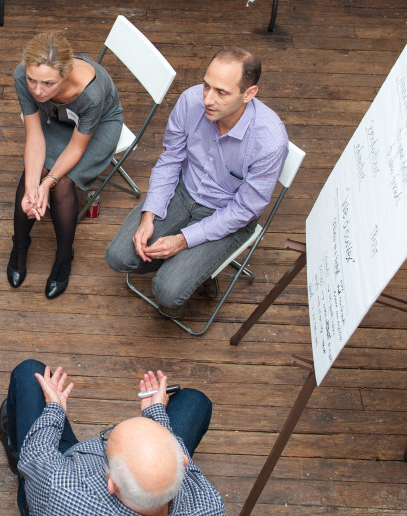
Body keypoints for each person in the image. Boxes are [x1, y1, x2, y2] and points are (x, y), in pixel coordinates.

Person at [105, 47, 288, 317]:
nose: (207, 99)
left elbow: (245, 210)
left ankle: (188, 269)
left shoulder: (269, 142)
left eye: (221, 92)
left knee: (167, 292)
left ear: (248, 94)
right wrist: (149, 214)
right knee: (117, 257)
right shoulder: (191, 101)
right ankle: (190, 267)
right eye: (206, 86)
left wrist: (183, 241)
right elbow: (170, 159)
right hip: (183, 190)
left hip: (227, 214)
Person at [0, 360, 225, 516]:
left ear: (111, 483)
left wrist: (55, 407)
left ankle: (11, 444)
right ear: (183, 461)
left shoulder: (59, 489)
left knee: (29, 372)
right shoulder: (210, 513)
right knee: (196, 401)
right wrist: (156, 413)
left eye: (107, 448)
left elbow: (35, 455)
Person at [9, 31, 123, 298]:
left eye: (48, 83)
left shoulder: (92, 93)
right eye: (32, 80)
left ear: (67, 72)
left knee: (62, 185)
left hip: (98, 125)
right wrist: (32, 187)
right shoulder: (22, 77)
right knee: (33, 174)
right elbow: (34, 136)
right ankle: (20, 244)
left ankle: (63, 257)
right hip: (55, 116)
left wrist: (47, 183)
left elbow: (76, 146)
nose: (37, 91)